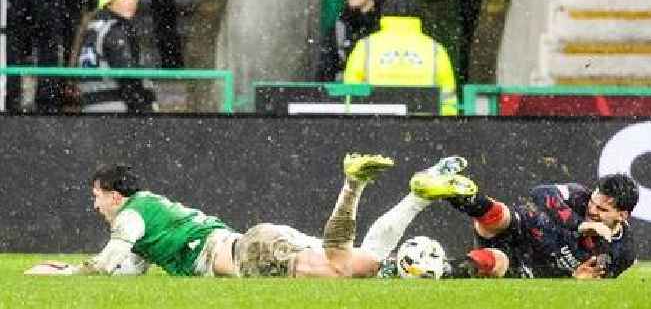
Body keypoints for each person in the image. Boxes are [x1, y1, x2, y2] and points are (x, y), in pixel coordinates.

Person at [25, 154, 468, 278]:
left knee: (339, 267)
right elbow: (128, 272)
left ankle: (353, 183)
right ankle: (419, 196)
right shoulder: (149, 215)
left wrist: (61, 274)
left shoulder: (130, 218)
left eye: (96, 197)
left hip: (249, 255)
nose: (94, 205)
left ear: (114, 196)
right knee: (357, 261)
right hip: (254, 243)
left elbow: (104, 267)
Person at [409, 159, 639, 279]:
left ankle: (439, 270)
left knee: (496, 262)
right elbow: (540, 192)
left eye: (602, 210)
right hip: (521, 227)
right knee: (499, 216)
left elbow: (597, 280)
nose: (593, 210)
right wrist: (580, 224)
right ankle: (455, 192)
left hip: (528, 265)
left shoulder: (622, 251)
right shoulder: (578, 195)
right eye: (593, 203)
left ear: (623, 215)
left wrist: (576, 279)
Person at [343, 0, 458, 115]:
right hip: (423, 130)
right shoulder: (435, 50)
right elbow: (449, 106)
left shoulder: (365, 47)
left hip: (375, 130)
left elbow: (349, 99)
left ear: (384, 11)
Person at [74, 0, 156, 113]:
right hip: (117, 109)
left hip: (93, 106)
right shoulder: (116, 31)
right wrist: (144, 108)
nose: (131, 2)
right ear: (109, 1)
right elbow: (127, 77)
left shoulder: (92, 28)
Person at [316, 0, 382, 82]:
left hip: (381, 94)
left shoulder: (385, 23)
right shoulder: (339, 27)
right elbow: (325, 71)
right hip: (347, 94)